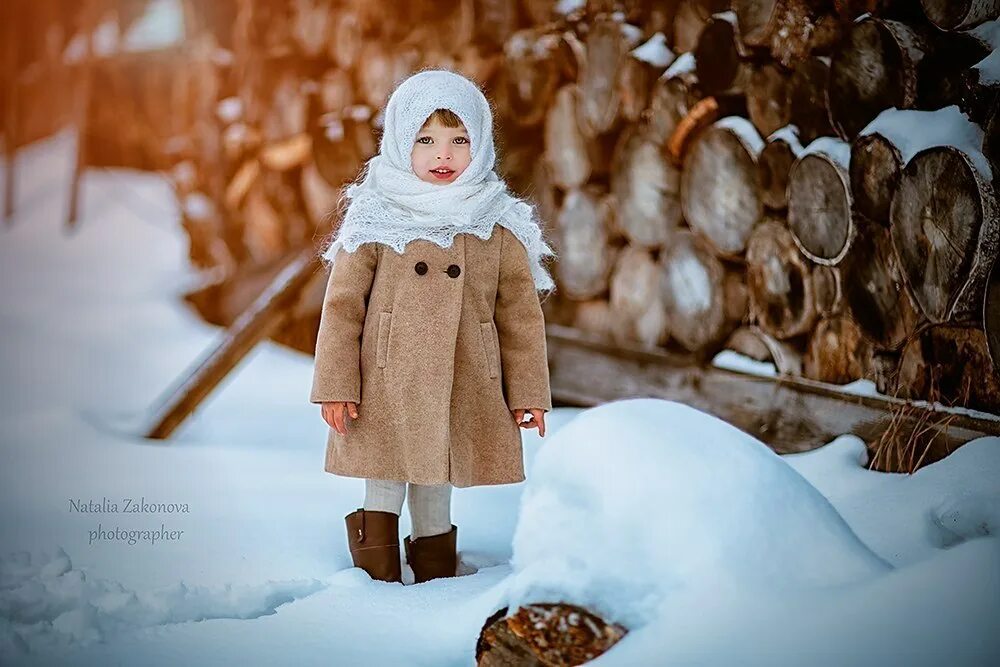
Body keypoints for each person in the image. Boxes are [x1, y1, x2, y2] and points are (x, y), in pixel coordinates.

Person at [310, 69, 557, 585]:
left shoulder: (494, 221)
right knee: (383, 476)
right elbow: (342, 309)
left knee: (435, 478)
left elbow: (519, 316)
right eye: (425, 140)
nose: (443, 156)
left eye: (459, 140)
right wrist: (335, 385)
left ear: (481, 142)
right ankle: (373, 580)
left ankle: (436, 577)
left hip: (462, 375)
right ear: (401, 142)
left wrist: (527, 393)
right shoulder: (377, 215)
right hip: (384, 379)